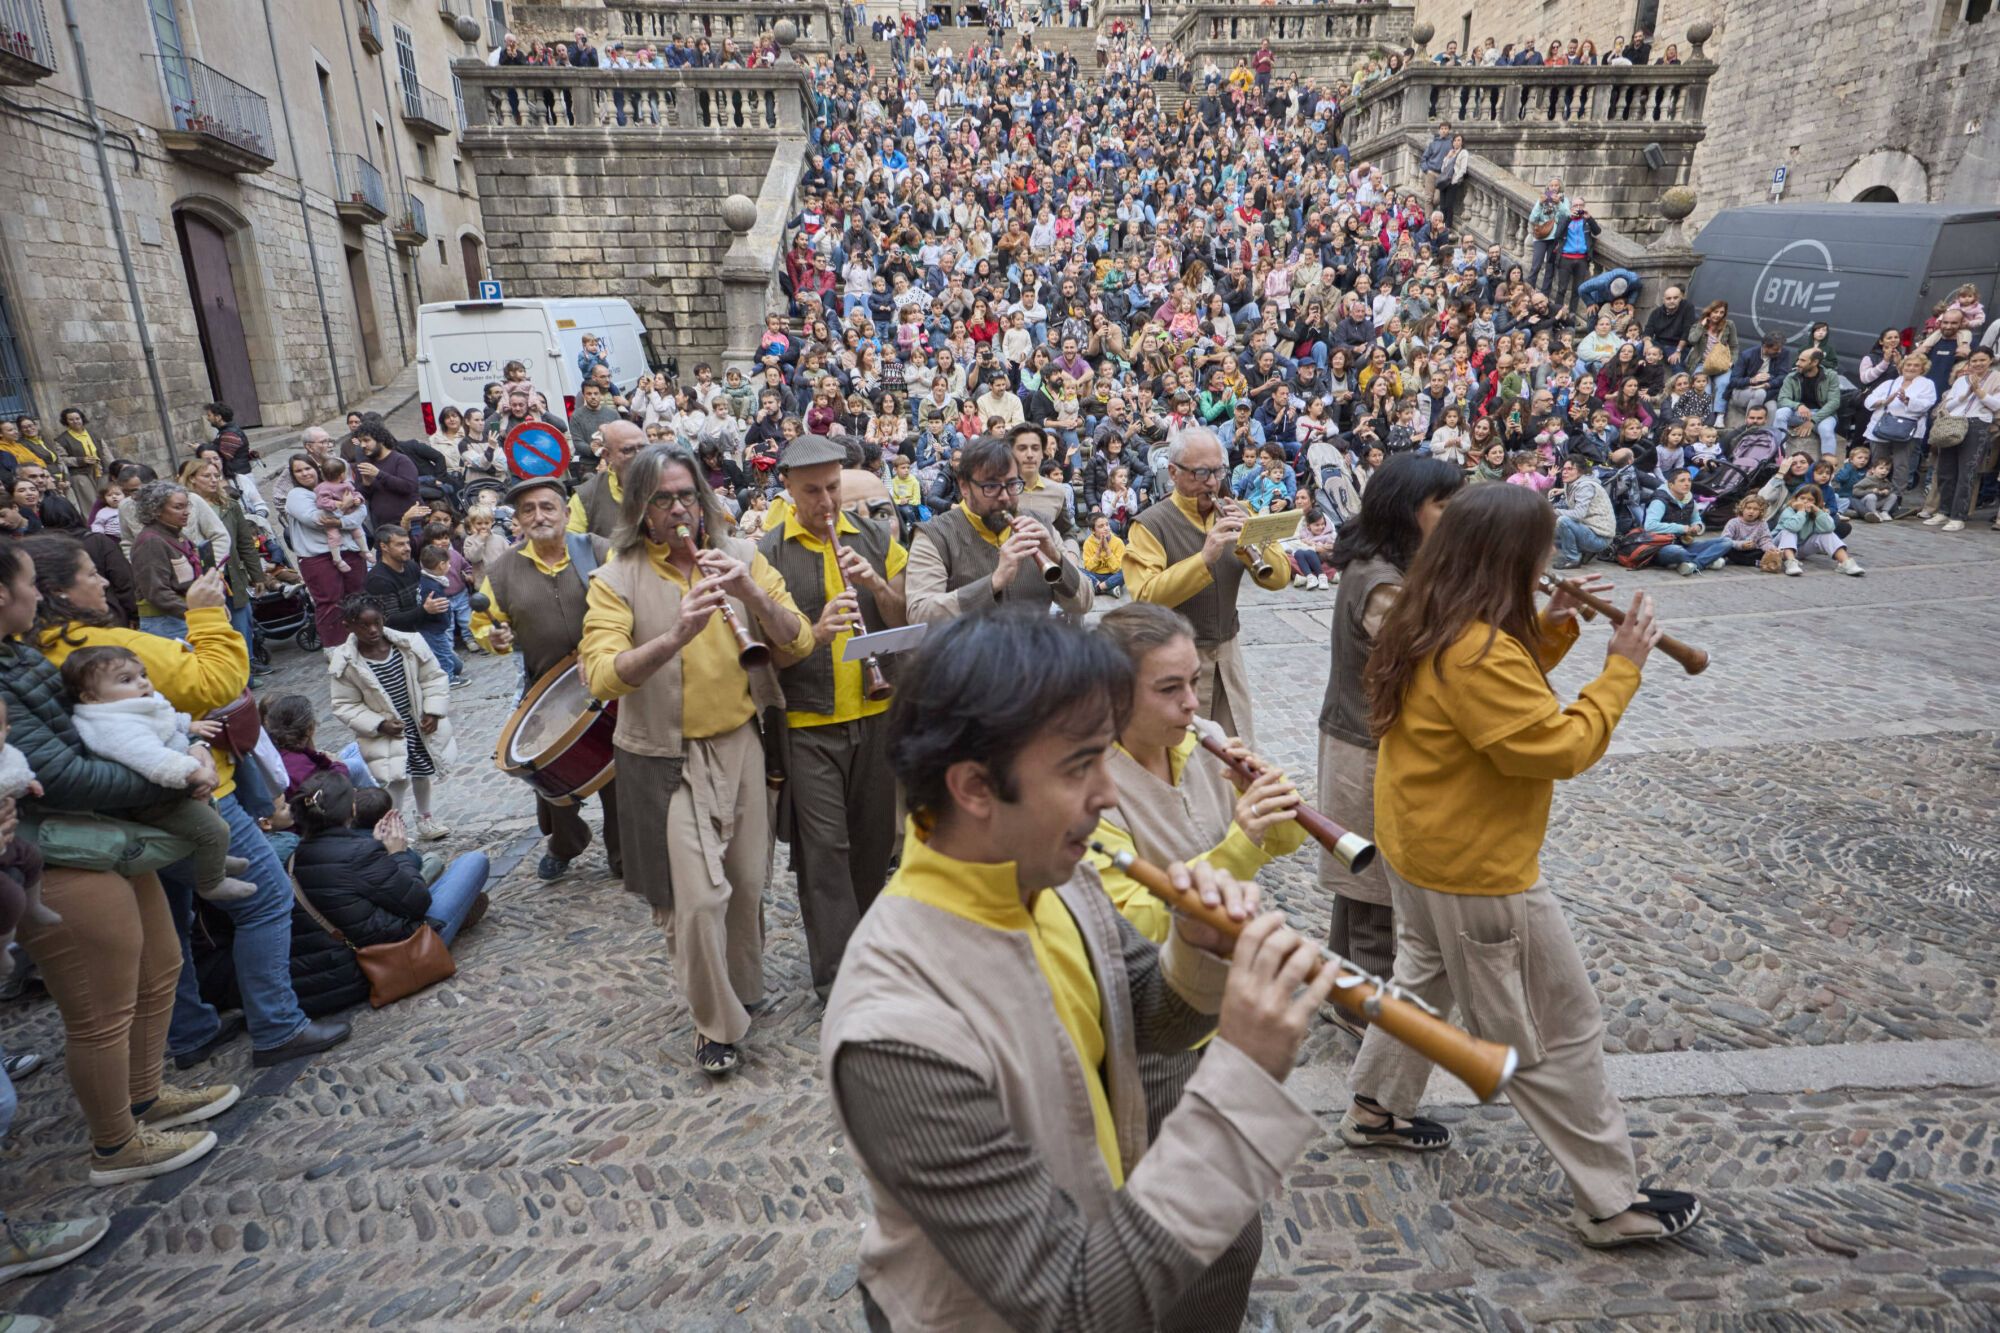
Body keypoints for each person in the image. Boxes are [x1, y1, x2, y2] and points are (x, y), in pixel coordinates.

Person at [821, 608, 1337, 1331]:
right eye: (1078, 766)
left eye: (1105, 756)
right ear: (973, 787)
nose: (1108, 793)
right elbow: (1068, 1306)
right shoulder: (897, 1032)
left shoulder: (1051, 876)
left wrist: (1196, 944)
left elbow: (1147, 1015)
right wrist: (1244, 1075)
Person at [1340, 482, 1703, 1248]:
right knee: (1551, 1030)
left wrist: (1552, 630)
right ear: (1510, 558)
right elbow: (1554, 744)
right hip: (1474, 869)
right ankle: (1610, 1202)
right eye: (1544, 550)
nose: (1554, 559)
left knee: (1419, 983)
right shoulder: (1475, 644)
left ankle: (1375, 1107)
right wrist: (1621, 667)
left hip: (1421, 849)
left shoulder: (1428, 611)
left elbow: (1479, 701)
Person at [23, 536, 349, 1073]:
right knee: (264, 900)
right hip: (193, 797)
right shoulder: (101, 648)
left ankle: (191, 1030)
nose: (104, 581)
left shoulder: (31, 658)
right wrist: (206, 616)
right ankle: (277, 1025)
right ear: (55, 592)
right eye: (90, 574)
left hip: (118, 816)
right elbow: (216, 682)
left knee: (170, 923)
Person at [0, 541, 244, 1185]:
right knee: (99, 1005)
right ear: (3, 593)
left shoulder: (18, 652)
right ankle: (114, 1143)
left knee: (158, 964)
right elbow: (58, 773)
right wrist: (168, 780)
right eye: (29, 584)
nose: (37, 597)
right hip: (58, 851)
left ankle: (144, 1094)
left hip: (102, 835)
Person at [579, 445, 813, 1075]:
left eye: (687, 495)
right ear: (642, 512)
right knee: (699, 899)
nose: (679, 509)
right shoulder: (616, 577)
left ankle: (740, 989)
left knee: (745, 886)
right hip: (663, 757)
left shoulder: (741, 558)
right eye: (663, 499)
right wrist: (675, 635)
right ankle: (715, 1026)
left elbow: (800, 639)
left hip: (741, 741)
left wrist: (753, 600)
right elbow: (600, 676)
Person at [757, 435, 909, 999]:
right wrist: (814, 634)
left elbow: (902, 615)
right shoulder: (768, 553)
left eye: (834, 488)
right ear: (789, 491)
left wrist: (873, 584)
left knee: (874, 848)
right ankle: (839, 981)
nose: (827, 502)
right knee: (825, 855)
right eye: (813, 492)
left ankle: (872, 955)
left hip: (877, 713)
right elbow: (764, 651)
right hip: (807, 722)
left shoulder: (874, 537)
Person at [1312, 457, 1462, 991]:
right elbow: (1433, 661)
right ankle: (1369, 1005)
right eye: (1443, 505)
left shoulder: (1394, 566)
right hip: (1365, 746)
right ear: (1407, 512)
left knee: (1360, 877)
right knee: (1372, 883)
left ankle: (1343, 986)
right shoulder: (1381, 584)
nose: (1454, 514)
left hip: (1365, 736)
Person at [474, 477, 621, 881]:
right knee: (548, 780)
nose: (538, 516)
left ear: (566, 514)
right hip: (544, 688)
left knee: (618, 777)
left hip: (610, 681)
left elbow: (633, 602)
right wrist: (496, 637)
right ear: (518, 521)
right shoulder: (503, 570)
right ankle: (567, 842)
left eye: (547, 507)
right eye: (528, 510)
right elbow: (484, 625)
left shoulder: (599, 551)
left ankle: (624, 856)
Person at [1122, 429, 1290, 749]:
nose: (1212, 482)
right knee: (1184, 756)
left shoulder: (1237, 511)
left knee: (1237, 752)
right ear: (1173, 472)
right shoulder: (1149, 524)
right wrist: (1204, 559)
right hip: (1175, 660)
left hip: (1227, 655)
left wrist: (1254, 535)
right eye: (1200, 473)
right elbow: (1144, 596)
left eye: (1218, 471)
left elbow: (1279, 578)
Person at [60, 645, 258, 905]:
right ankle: (212, 883)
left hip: (174, 786)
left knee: (211, 815)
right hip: (156, 799)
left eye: (142, 674)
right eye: (126, 680)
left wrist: (188, 725)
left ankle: (213, 859)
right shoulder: (111, 726)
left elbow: (164, 716)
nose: (142, 682)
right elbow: (151, 758)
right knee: (214, 829)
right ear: (91, 698)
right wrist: (193, 772)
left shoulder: (132, 704)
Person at [289, 770, 490, 1013]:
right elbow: (418, 903)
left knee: (432, 876)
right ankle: (455, 920)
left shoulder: (293, 858)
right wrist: (397, 852)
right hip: (384, 963)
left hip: (329, 972)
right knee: (473, 862)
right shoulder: (359, 853)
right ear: (351, 810)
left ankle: (458, 911)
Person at [905, 434, 1093, 623]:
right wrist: (993, 583)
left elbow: (1084, 603)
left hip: (1035, 650)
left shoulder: (1040, 525)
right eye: (991, 486)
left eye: (1012, 484)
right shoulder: (933, 535)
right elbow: (920, 614)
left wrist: (1056, 558)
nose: (1004, 497)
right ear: (964, 487)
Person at [326, 595, 456, 839]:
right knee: (396, 779)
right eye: (364, 626)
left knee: (421, 771)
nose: (373, 630)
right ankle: (395, 828)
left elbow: (433, 678)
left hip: (417, 724)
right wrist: (379, 724)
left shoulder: (409, 644)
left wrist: (433, 710)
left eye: (377, 622)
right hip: (386, 734)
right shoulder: (345, 663)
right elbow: (345, 704)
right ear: (349, 626)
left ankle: (425, 818)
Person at [282, 455, 369, 650]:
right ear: (293, 475)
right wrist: (345, 507)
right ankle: (337, 649)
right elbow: (316, 520)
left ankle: (364, 644)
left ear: (317, 469)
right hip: (318, 557)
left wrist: (342, 520)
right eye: (299, 470)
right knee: (330, 603)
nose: (305, 473)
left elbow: (361, 512)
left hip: (349, 550)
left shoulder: (336, 485)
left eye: (308, 468)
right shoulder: (296, 495)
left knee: (358, 598)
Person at [127, 481, 205, 640]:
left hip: (180, 618)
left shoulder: (176, 535)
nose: (186, 512)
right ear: (155, 510)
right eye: (178, 507)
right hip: (166, 623)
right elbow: (157, 592)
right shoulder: (151, 542)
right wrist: (198, 613)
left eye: (186, 506)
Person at [568, 420, 646, 538]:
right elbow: (571, 544)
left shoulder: (665, 482)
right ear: (607, 455)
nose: (638, 455)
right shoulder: (587, 497)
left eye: (643, 448)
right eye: (628, 450)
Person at [352, 421, 421, 531]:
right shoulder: (364, 465)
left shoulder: (401, 460)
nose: (362, 445)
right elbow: (360, 496)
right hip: (384, 527)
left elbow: (409, 487)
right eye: (360, 442)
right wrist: (366, 485)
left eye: (366, 440)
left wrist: (379, 474)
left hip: (411, 524)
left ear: (381, 440)